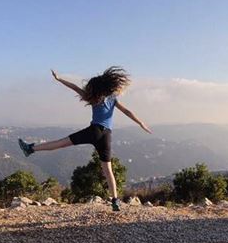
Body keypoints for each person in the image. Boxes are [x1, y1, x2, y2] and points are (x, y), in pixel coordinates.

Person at [18, 66, 152, 212]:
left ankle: (30, 149)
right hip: (106, 135)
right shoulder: (112, 98)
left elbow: (74, 87)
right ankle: (115, 201)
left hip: (93, 131)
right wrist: (140, 123)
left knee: (60, 143)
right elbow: (127, 111)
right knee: (108, 170)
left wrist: (59, 79)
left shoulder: (93, 98)